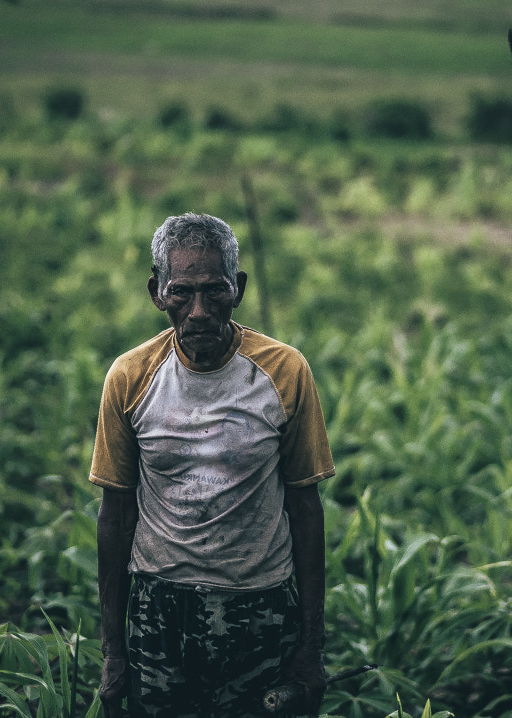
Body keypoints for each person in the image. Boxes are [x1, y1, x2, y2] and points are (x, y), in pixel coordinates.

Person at [89, 212, 335, 717]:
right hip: (159, 608)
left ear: (238, 289)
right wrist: (114, 651)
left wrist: (311, 648)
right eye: (181, 292)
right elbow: (115, 516)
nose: (198, 311)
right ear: (157, 292)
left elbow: (306, 508)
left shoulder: (285, 372)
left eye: (215, 290)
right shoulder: (130, 377)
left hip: (261, 606)